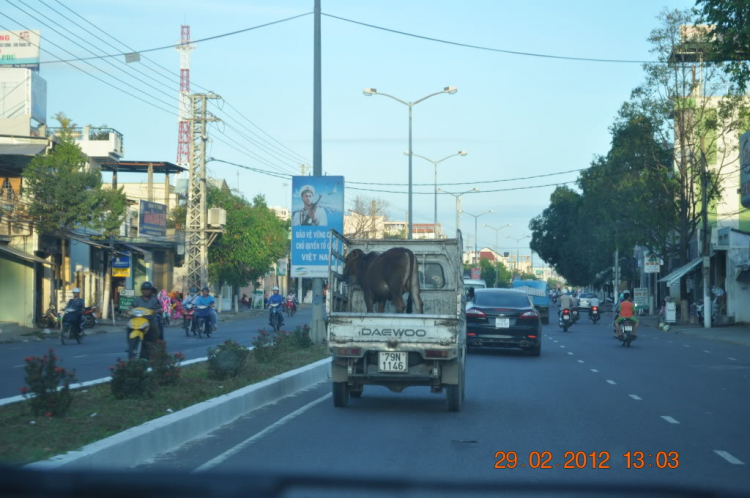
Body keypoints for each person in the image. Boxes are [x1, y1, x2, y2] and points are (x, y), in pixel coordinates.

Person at [130, 282, 164, 352]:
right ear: (141, 290)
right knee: (129, 326)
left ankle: (154, 344)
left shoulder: (154, 300)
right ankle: (131, 345)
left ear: (151, 291)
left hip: (150, 319)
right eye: (144, 289)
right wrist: (129, 310)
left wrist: (156, 311)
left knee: (155, 327)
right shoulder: (137, 299)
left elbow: (160, 308)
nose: (145, 291)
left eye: (147, 289)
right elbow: (132, 306)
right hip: (138, 319)